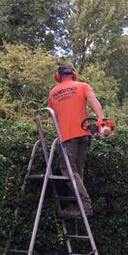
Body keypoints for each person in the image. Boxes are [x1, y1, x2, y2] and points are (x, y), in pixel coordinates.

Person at [48, 65, 105, 219]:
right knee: (78, 172)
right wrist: (102, 122)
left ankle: (85, 206)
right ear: (74, 75)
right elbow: (96, 104)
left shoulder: (53, 93)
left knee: (68, 171)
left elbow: (53, 118)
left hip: (67, 137)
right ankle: (77, 205)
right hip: (84, 134)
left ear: (58, 77)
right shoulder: (83, 86)